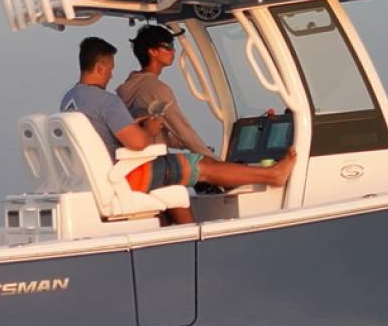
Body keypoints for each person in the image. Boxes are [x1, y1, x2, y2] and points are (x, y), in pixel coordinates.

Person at [61, 37, 294, 224]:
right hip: (127, 176)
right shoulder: (105, 101)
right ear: (101, 67)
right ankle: (272, 175)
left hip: (98, 178)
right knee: (200, 165)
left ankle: (187, 236)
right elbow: (138, 143)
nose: (112, 74)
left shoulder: (69, 100)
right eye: (110, 68)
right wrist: (150, 128)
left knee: (174, 177)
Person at [116, 24, 215, 160]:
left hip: (138, 161)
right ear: (152, 51)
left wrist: (194, 147)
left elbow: (157, 132)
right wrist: (213, 159)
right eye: (168, 46)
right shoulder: (155, 89)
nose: (173, 51)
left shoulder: (131, 85)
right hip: (155, 164)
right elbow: (182, 130)